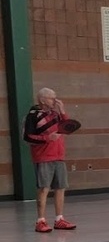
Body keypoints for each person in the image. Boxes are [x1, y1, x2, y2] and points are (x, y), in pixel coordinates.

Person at [23, 87, 76, 233]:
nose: (55, 100)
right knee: (44, 188)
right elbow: (27, 137)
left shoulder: (55, 114)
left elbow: (68, 128)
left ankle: (59, 219)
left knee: (60, 187)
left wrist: (63, 111)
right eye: (52, 98)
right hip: (43, 157)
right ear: (42, 100)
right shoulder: (33, 116)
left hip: (59, 156)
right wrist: (47, 138)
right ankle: (40, 221)